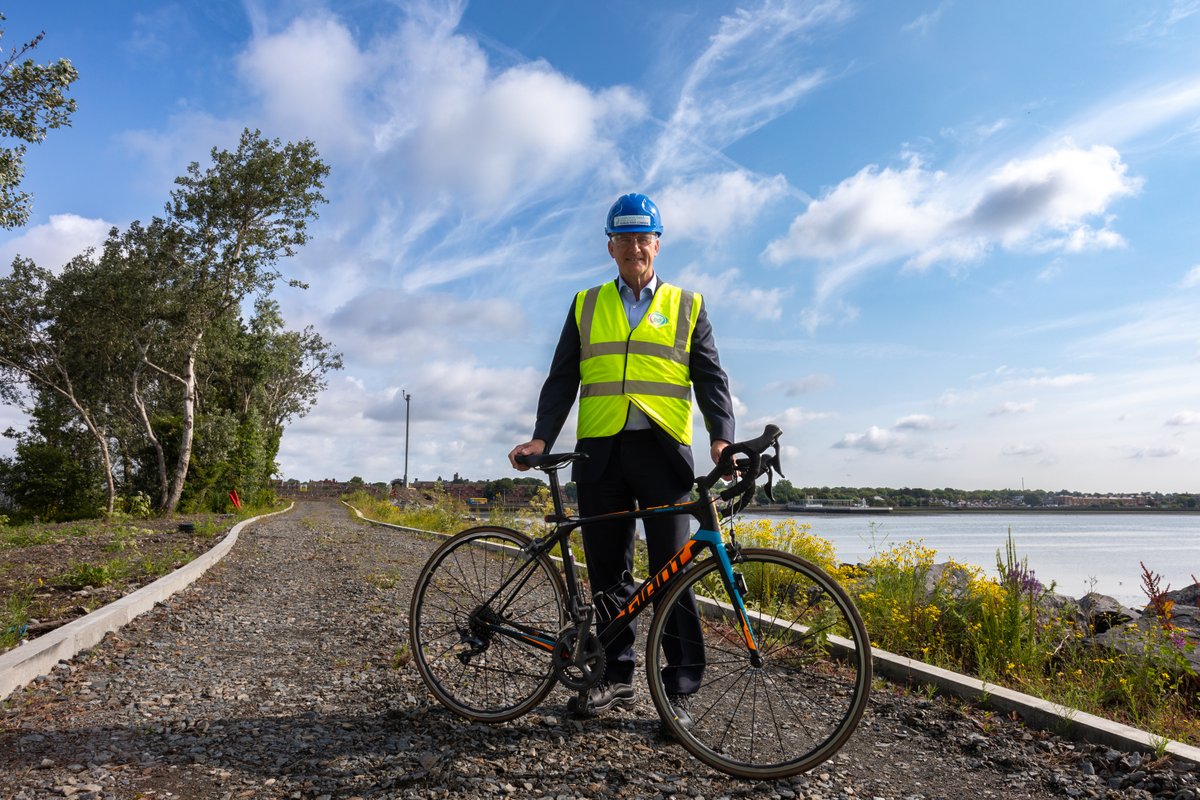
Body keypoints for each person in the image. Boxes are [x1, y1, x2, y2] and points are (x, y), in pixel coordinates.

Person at [508, 192, 735, 724]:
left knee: (672, 572)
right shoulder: (586, 304)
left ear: (658, 243)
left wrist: (721, 439)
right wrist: (542, 438)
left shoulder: (687, 305)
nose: (635, 247)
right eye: (625, 238)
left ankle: (679, 690)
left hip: (663, 455)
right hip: (600, 454)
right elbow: (562, 377)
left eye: (643, 237)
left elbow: (711, 378)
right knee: (609, 573)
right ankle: (615, 677)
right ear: (610, 247)